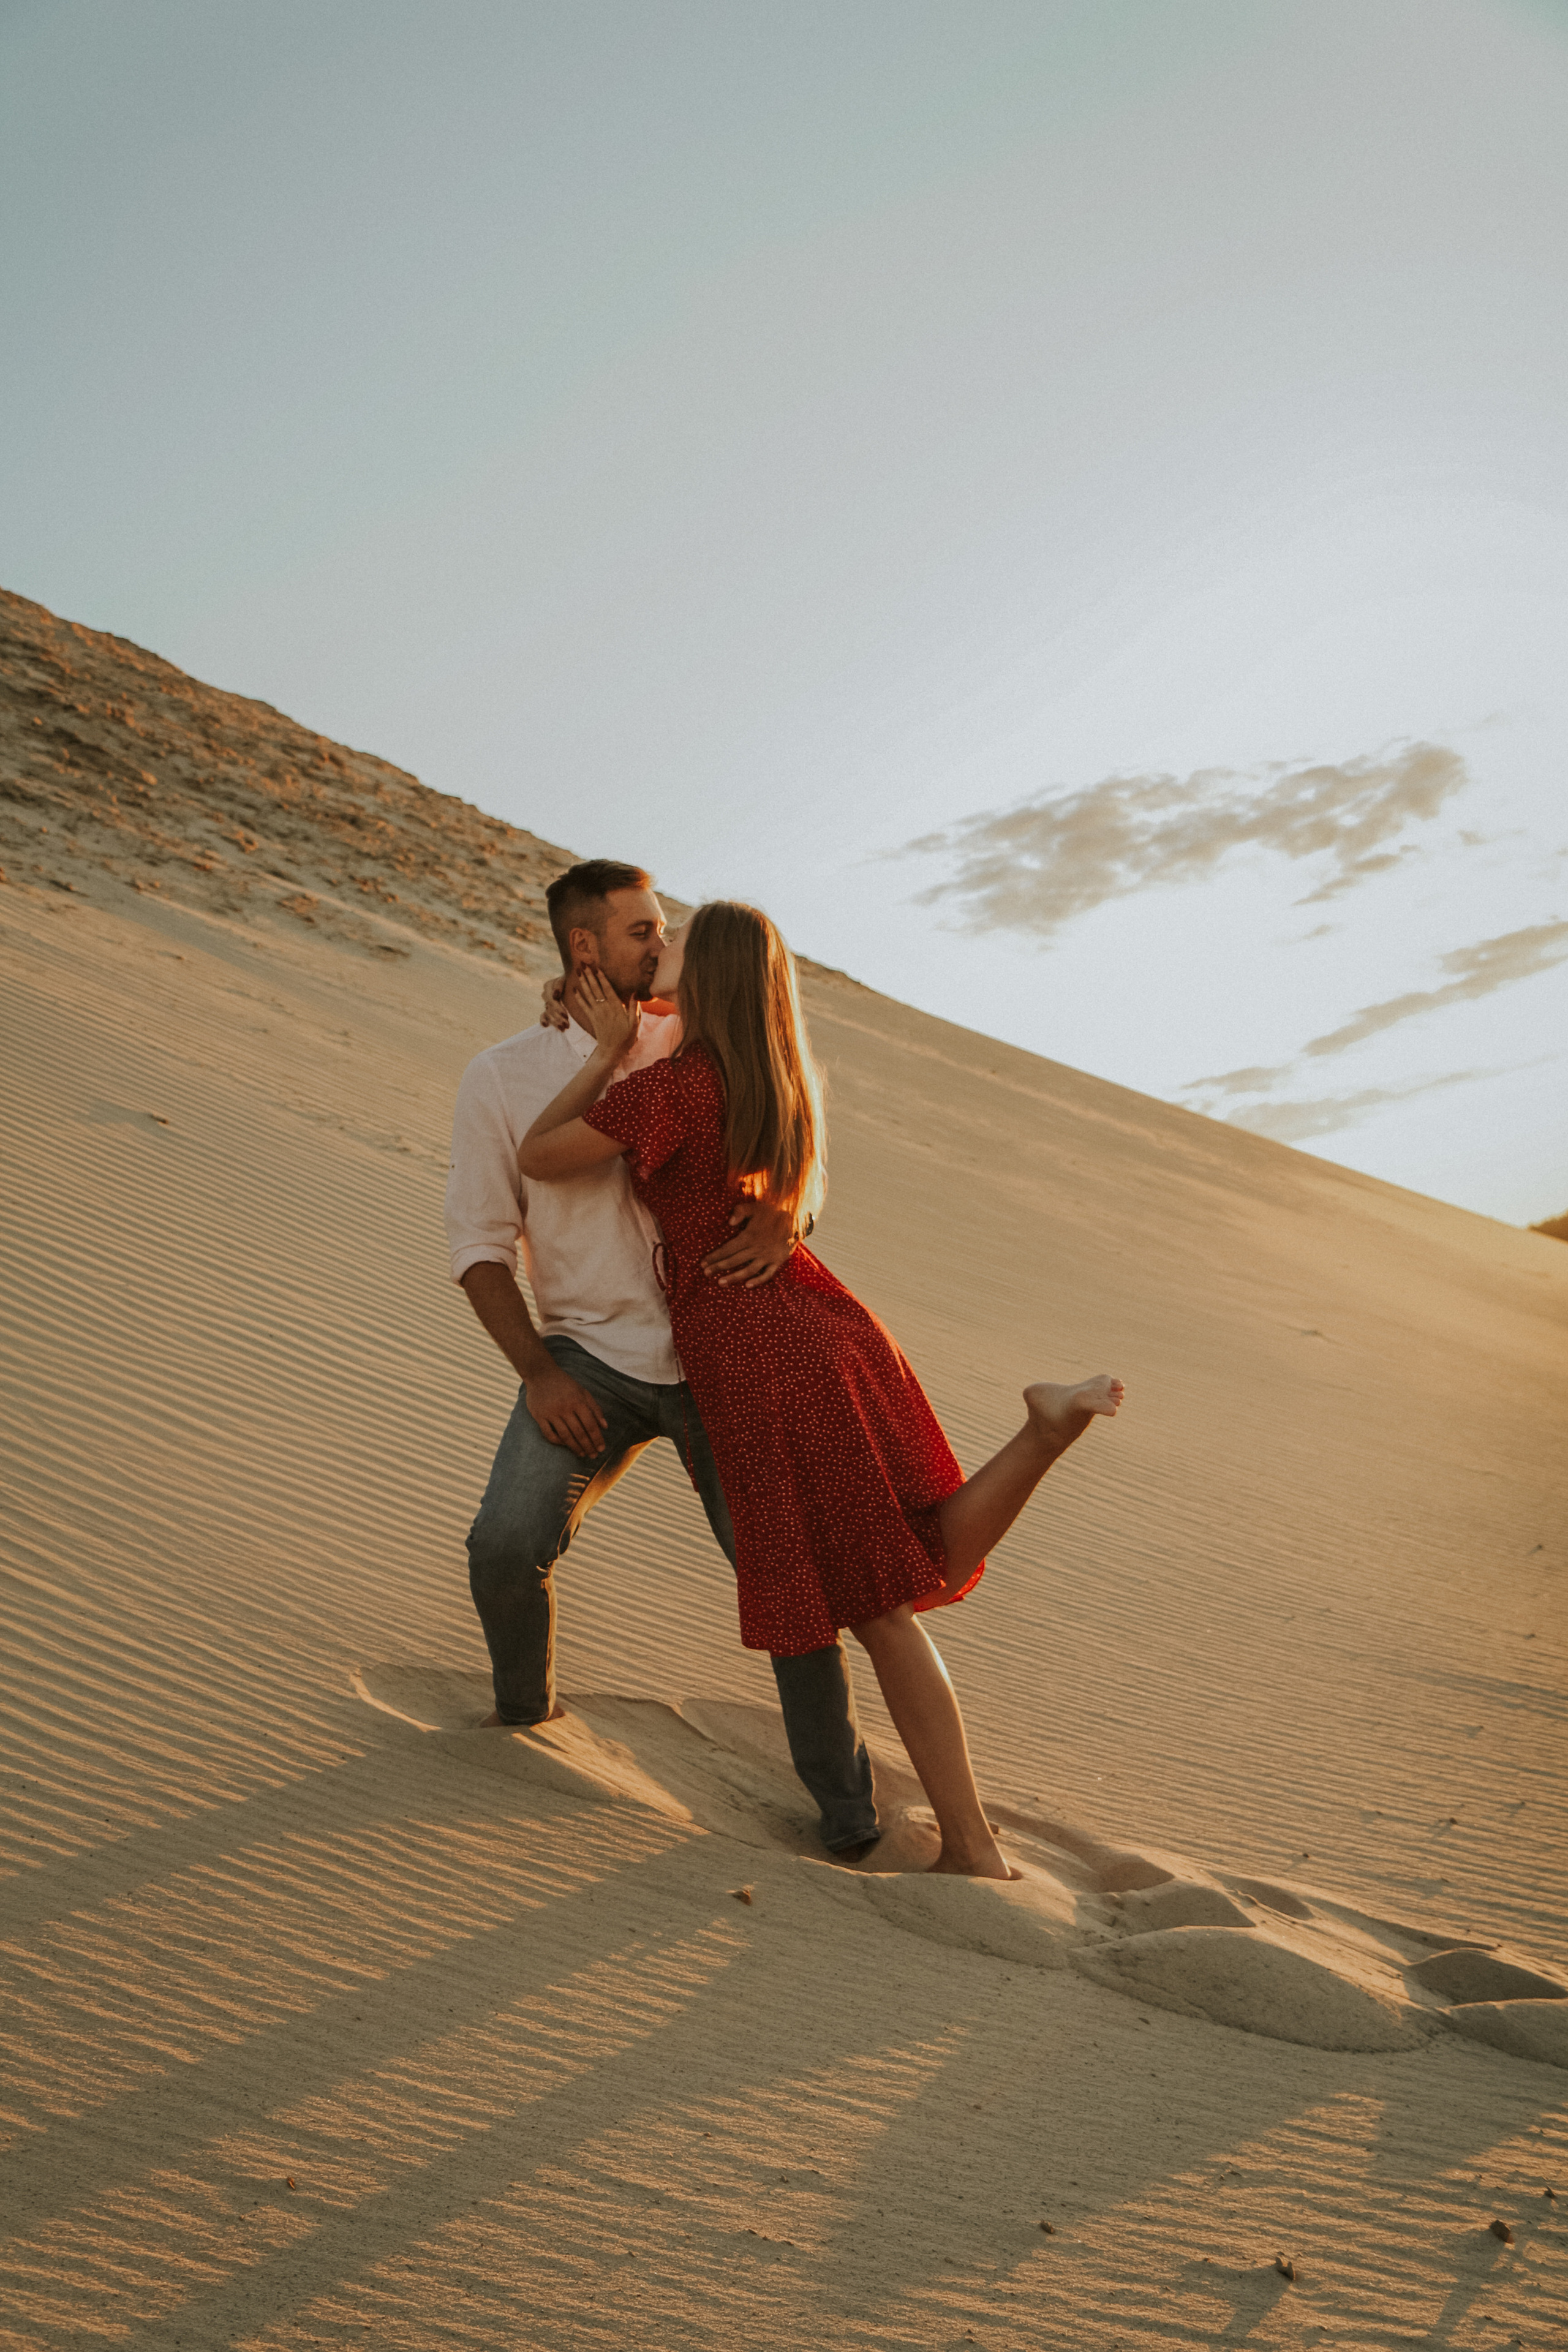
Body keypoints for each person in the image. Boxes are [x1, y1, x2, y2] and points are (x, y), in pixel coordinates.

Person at [518, 900, 1124, 1880]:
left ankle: (971, 1846)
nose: (655, 951)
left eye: (669, 944)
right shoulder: (776, 1077)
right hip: (824, 1324)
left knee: (886, 1608)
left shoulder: (673, 1087)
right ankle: (1040, 1435)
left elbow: (539, 1156)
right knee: (906, 1564)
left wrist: (601, 1057)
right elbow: (791, 1175)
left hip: (757, 1353)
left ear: (703, 976)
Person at [445, 859, 880, 1857]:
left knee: (787, 1579)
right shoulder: (502, 1076)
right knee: (506, 1546)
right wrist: (540, 1374)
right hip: (588, 1360)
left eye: (665, 930)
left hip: (721, 1355)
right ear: (584, 947)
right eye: (644, 931)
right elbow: (478, 1246)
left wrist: (787, 1215)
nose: (662, 943)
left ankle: (848, 1815)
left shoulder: (696, 1036)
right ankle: (527, 1727)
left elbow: (791, 1128)